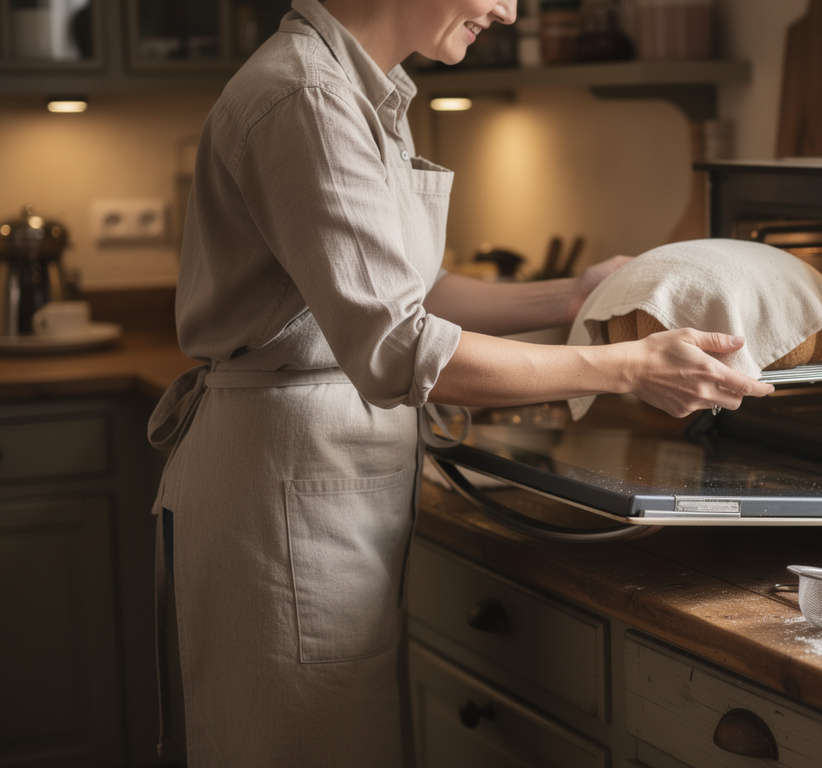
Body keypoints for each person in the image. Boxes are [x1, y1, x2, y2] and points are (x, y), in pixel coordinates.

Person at [146, 1, 773, 765]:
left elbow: (413, 292)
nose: (508, 9)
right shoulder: (304, 97)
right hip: (284, 492)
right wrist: (628, 368)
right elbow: (398, 347)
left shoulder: (367, 87)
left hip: (323, 476)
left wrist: (572, 294)